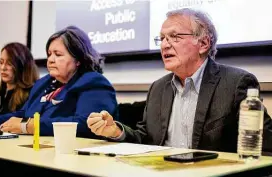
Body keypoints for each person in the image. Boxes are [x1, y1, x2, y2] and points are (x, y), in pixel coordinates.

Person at [87, 8, 272, 154]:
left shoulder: (235, 83)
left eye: (174, 37)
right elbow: (146, 140)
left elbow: (265, 147)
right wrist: (116, 131)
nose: (165, 44)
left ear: (204, 44)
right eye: (162, 38)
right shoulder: (158, 88)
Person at [0, 26, 118, 138]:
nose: (50, 60)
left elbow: (86, 124)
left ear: (78, 60)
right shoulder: (43, 83)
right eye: (49, 54)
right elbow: (23, 114)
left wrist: (30, 126)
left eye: (58, 54)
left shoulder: (93, 82)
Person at [0, 42, 39, 115]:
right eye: (1, 62)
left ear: (22, 66)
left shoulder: (30, 95)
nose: (3, 68)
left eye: (9, 63)